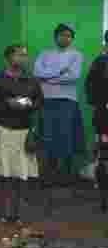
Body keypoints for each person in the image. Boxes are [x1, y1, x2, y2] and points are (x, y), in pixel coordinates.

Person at [0, 45, 43, 223]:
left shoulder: (31, 79)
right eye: (19, 55)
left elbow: (39, 101)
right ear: (9, 57)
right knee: (4, 173)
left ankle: (18, 213)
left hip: (24, 130)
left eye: (25, 55)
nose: (23, 58)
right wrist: (8, 103)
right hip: (4, 129)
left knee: (22, 174)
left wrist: (28, 104)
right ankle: (4, 212)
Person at [34, 23, 86, 176]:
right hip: (47, 100)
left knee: (66, 136)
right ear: (56, 37)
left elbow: (73, 76)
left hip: (68, 100)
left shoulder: (76, 55)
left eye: (69, 36)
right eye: (62, 35)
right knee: (48, 135)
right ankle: (50, 172)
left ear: (72, 39)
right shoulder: (45, 54)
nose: (65, 38)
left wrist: (48, 79)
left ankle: (66, 173)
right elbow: (37, 72)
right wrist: (60, 72)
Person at [86, 33, 108, 212]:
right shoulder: (100, 63)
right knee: (104, 157)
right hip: (104, 118)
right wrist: (102, 103)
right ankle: (104, 196)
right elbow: (90, 89)